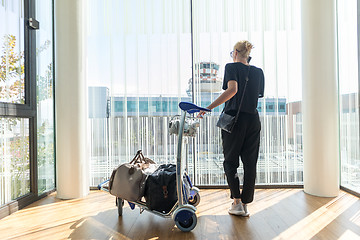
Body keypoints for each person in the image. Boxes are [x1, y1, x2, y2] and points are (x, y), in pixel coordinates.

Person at [198, 40, 264, 217]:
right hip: (253, 120)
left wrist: (208, 108)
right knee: (250, 163)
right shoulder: (258, 72)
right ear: (248, 55)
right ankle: (245, 204)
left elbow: (233, 90)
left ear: (235, 53)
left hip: (234, 120)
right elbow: (256, 95)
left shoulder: (231, 67)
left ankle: (236, 202)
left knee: (230, 161)